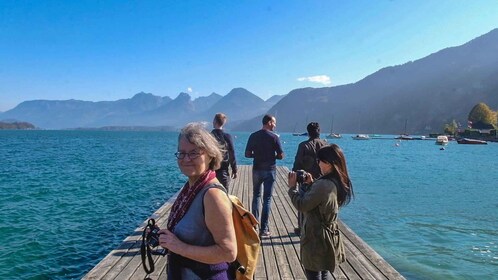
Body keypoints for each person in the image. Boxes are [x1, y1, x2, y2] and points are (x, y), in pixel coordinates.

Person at [158, 122, 237, 279]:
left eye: (194, 153)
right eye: (181, 153)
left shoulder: (212, 195)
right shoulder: (191, 187)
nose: (186, 158)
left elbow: (228, 252)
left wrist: (179, 247)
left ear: (210, 155)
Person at [287, 144, 354, 280]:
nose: (318, 164)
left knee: (314, 273)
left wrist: (292, 188)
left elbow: (302, 205)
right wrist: (310, 185)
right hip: (328, 237)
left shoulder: (323, 184)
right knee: (324, 272)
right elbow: (321, 202)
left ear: (329, 163)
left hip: (316, 238)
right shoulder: (337, 181)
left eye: (320, 161)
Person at [245, 114, 284, 238]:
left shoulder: (253, 136)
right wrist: (274, 156)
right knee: (267, 199)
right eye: (273, 122)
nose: (275, 125)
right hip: (270, 170)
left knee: (256, 196)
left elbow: (247, 154)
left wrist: (256, 156)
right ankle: (264, 229)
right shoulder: (274, 137)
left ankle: (253, 225)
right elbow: (281, 155)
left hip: (257, 169)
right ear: (268, 122)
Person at [292, 122, 328, 236]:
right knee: (321, 205)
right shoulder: (325, 144)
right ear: (319, 131)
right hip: (323, 180)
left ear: (308, 132)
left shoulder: (304, 145)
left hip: (307, 179)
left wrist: (295, 176)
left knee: (303, 205)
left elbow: (297, 164)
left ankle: (302, 228)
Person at [211, 113, 237, 190]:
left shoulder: (209, 136)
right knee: (224, 195)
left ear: (215, 121)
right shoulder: (227, 136)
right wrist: (234, 169)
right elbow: (232, 153)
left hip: (210, 171)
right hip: (223, 171)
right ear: (224, 123)